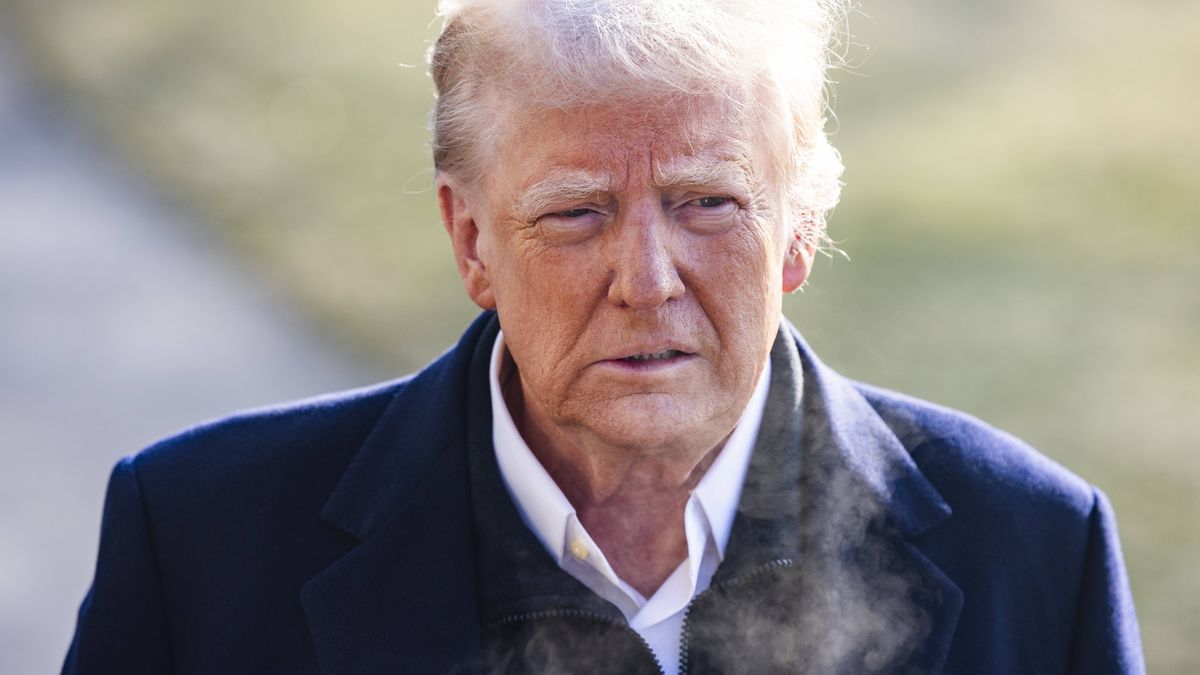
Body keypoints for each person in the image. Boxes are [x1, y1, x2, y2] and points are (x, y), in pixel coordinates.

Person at [62, 1, 1144, 673]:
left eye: (708, 203)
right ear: (472, 237)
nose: (646, 280)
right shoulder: (201, 543)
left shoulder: (1030, 550)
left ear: (799, 235)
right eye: (576, 212)